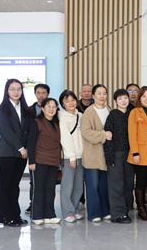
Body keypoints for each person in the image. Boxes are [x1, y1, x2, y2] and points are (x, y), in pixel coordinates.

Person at [0, 79, 32, 227]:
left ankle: (15, 216)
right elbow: (7, 131)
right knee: (5, 185)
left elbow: (28, 131)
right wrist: (20, 147)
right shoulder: (1, 109)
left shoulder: (26, 109)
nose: (16, 92)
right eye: (12, 89)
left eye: (19, 89)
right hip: (8, 153)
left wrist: (27, 148)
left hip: (23, 153)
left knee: (15, 185)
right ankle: (6, 217)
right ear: (7, 91)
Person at [27, 97, 62, 225]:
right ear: (42, 109)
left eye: (54, 106)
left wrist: (58, 162)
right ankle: (36, 216)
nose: (51, 109)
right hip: (39, 161)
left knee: (50, 189)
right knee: (39, 189)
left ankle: (49, 215)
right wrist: (31, 161)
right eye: (48, 106)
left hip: (53, 161)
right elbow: (30, 144)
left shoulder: (56, 124)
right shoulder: (37, 123)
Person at [127, 86, 147, 221]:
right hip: (140, 153)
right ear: (139, 98)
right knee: (140, 182)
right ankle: (141, 210)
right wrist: (135, 152)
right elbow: (132, 134)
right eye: (144, 96)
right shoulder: (134, 112)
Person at [103, 89, 134, 224]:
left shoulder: (132, 114)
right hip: (116, 154)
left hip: (130, 153)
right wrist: (110, 157)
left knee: (129, 183)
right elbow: (108, 138)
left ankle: (125, 211)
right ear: (115, 101)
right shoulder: (113, 115)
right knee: (117, 184)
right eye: (120, 98)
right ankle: (117, 214)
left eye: (125, 98)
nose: (123, 101)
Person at [81, 84, 111, 222]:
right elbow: (86, 132)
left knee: (104, 185)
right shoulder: (89, 112)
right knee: (93, 186)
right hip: (92, 155)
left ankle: (106, 211)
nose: (102, 96)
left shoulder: (109, 110)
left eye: (104, 93)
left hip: (106, 155)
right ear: (93, 96)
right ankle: (94, 213)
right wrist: (103, 135)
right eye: (99, 93)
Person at [58, 89, 84, 223]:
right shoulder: (62, 117)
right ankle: (67, 212)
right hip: (69, 158)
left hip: (81, 156)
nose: (71, 103)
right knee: (67, 186)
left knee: (78, 186)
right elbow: (65, 139)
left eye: (73, 100)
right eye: (67, 101)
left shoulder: (81, 115)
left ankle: (75, 209)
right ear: (62, 104)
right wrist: (71, 157)